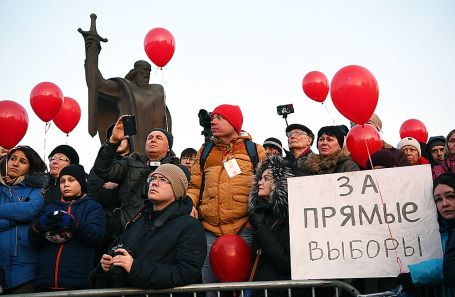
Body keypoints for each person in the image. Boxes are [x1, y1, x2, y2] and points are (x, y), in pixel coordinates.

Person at [187, 104, 266, 289]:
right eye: (213, 117)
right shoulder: (204, 152)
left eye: (220, 118)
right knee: (210, 286)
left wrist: (252, 220)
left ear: (234, 123)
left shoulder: (254, 150)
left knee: (246, 285)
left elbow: (265, 187)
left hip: (245, 229)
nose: (213, 121)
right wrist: (189, 204)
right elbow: (195, 186)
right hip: (209, 230)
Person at [91, 164, 206, 290]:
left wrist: (135, 268)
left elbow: (186, 273)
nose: (155, 183)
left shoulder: (190, 226)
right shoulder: (137, 221)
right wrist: (104, 269)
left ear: (177, 189)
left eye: (163, 179)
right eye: (152, 178)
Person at [83, 33, 172, 153]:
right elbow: (98, 84)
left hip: (156, 154)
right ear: (135, 72)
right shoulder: (125, 89)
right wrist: (92, 53)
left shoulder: (157, 91)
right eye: (144, 70)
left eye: (149, 71)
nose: (147, 74)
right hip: (130, 153)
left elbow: (166, 122)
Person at [28, 164, 105, 291]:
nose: (66, 184)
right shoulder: (49, 209)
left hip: (77, 281)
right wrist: (38, 226)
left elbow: (96, 236)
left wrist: (75, 224)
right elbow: (33, 241)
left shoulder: (93, 207)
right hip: (46, 280)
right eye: (62, 181)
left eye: (71, 180)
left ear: (81, 183)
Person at [94, 115, 178, 230]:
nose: (153, 140)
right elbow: (102, 169)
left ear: (169, 147)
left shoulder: (177, 170)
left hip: (163, 230)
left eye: (159, 138)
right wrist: (113, 141)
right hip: (129, 228)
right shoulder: (130, 163)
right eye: (150, 138)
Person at [396, 173, 455, 293]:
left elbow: (451, 266)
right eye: (438, 199)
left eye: (450, 196)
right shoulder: (436, 229)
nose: (444, 204)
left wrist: (416, 274)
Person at [0, 146, 48, 294]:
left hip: (26, 270)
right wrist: (17, 219)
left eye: (22, 161)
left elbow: (31, 209)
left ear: (30, 167)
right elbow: (24, 214)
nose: (15, 163)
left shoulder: (35, 188)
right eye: (13, 159)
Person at [247, 155, 296, 297]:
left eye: (266, 178)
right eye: (260, 178)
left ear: (280, 183)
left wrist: (261, 228)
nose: (260, 183)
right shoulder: (261, 213)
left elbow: (286, 263)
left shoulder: (289, 215)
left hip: (281, 292)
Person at [87, 122, 132, 263]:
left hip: (131, 227)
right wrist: (124, 190)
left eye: (121, 138)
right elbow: (96, 194)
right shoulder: (99, 166)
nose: (118, 140)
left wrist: (117, 186)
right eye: (113, 138)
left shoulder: (137, 163)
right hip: (106, 229)